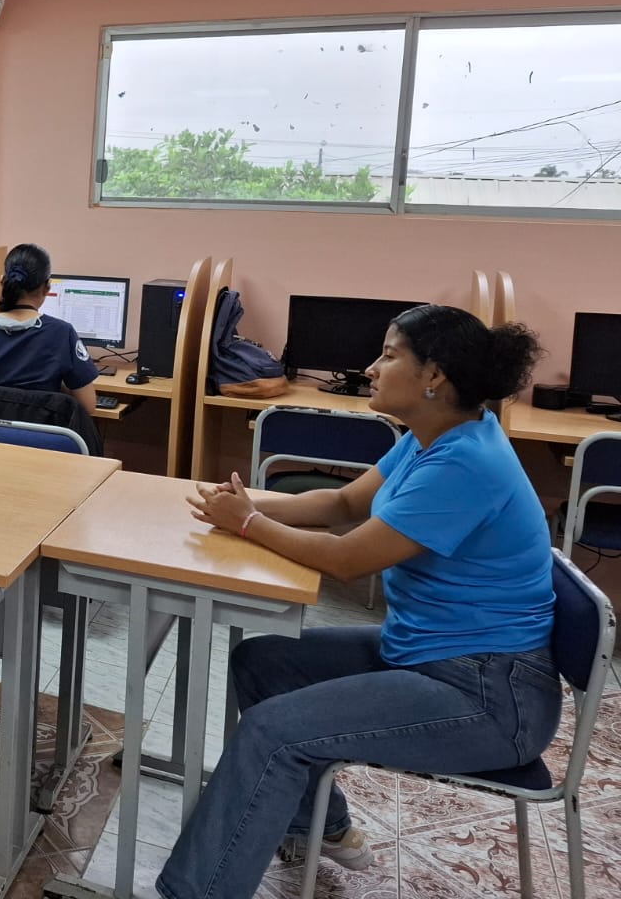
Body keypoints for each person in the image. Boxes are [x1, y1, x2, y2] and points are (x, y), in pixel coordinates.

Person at [155, 305, 559, 899]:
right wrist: (246, 506)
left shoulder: (466, 463)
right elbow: (343, 504)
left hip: (490, 694)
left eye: (389, 355)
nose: (371, 368)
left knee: (273, 732)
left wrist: (247, 524)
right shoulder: (432, 438)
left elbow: (348, 559)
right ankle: (321, 826)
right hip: (429, 655)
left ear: (434, 376)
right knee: (263, 662)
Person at [0, 243, 99, 414]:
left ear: (2, 281)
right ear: (47, 288)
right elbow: (88, 406)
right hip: (38, 431)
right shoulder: (62, 334)